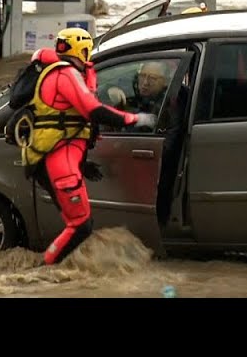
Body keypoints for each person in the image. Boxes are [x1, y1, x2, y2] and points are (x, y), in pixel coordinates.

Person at [22, 27, 155, 266]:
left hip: (58, 159)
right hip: (59, 163)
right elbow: (92, 110)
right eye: (87, 50)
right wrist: (135, 119)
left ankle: (63, 270)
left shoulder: (56, 73)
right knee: (80, 226)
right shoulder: (65, 74)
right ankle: (43, 271)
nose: (89, 55)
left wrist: (82, 164)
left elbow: (69, 122)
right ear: (80, 49)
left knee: (77, 225)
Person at [107, 60, 189, 224]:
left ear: (165, 82)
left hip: (156, 175)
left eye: (152, 79)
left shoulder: (169, 104)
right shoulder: (147, 98)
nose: (145, 82)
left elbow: (166, 147)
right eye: (142, 76)